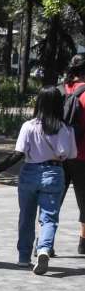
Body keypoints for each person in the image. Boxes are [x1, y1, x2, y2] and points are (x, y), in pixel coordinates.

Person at [15, 87, 77, 273]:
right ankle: (43, 249)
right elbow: (71, 154)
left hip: (29, 172)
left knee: (26, 216)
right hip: (54, 172)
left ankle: (23, 257)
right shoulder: (66, 129)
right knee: (49, 218)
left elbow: (20, 151)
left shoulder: (28, 126)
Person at [60, 55, 85, 255]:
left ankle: (44, 243)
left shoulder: (59, 90)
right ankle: (83, 242)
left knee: (53, 200)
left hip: (58, 155)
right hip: (82, 154)